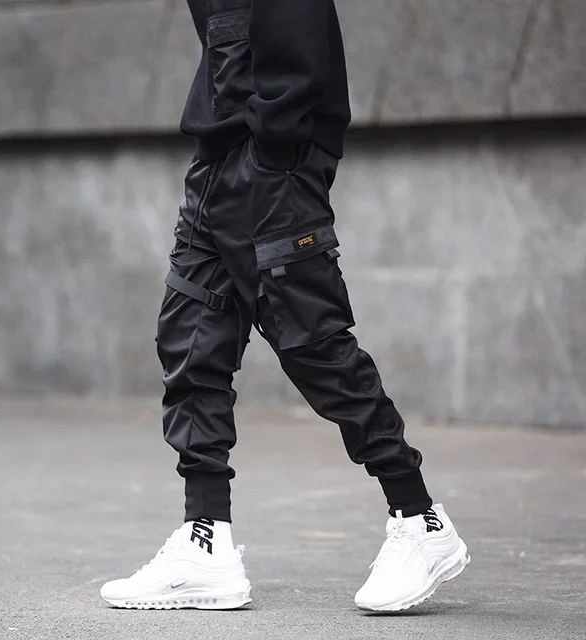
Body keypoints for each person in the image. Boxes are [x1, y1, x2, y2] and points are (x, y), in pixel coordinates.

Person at [100, 0, 470, 612]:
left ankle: (420, 519)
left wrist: (275, 150)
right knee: (191, 339)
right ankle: (204, 541)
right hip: (216, 159)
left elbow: (294, 36)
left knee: (314, 346)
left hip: (274, 167)